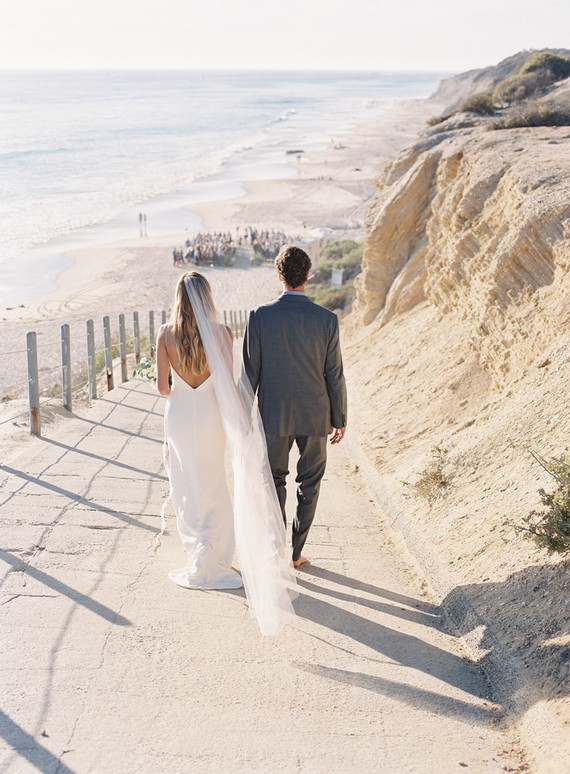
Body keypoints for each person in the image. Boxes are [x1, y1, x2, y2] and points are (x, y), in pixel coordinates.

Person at [156, 272, 297, 635]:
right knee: (214, 479)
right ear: (207, 298)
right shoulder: (221, 334)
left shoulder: (164, 333)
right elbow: (230, 385)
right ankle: (216, 553)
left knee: (185, 483)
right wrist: (244, 424)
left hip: (180, 414)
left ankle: (197, 550)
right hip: (211, 417)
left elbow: (162, 387)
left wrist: (180, 391)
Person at [242, 245, 347, 568]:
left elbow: (249, 373)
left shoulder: (260, 317)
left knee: (274, 479)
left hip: (273, 413)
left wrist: (242, 416)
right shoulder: (327, 320)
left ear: (279, 274)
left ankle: (276, 547)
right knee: (310, 483)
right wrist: (339, 417)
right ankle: (296, 552)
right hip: (315, 414)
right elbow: (335, 373)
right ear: (309, 274)